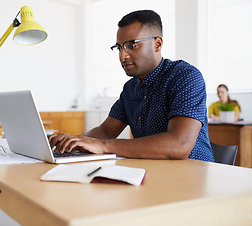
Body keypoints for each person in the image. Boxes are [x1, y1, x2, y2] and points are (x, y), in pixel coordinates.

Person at [48, 10, 214, 162]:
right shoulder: (131, 88)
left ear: (157, 44)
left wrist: (104, 146)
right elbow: (106, 130)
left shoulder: (185, 77)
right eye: (119, 47)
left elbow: (179, 145)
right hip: (151, 175)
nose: (122, 56)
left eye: (132, 45)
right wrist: (74, 142)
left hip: (192, 177)